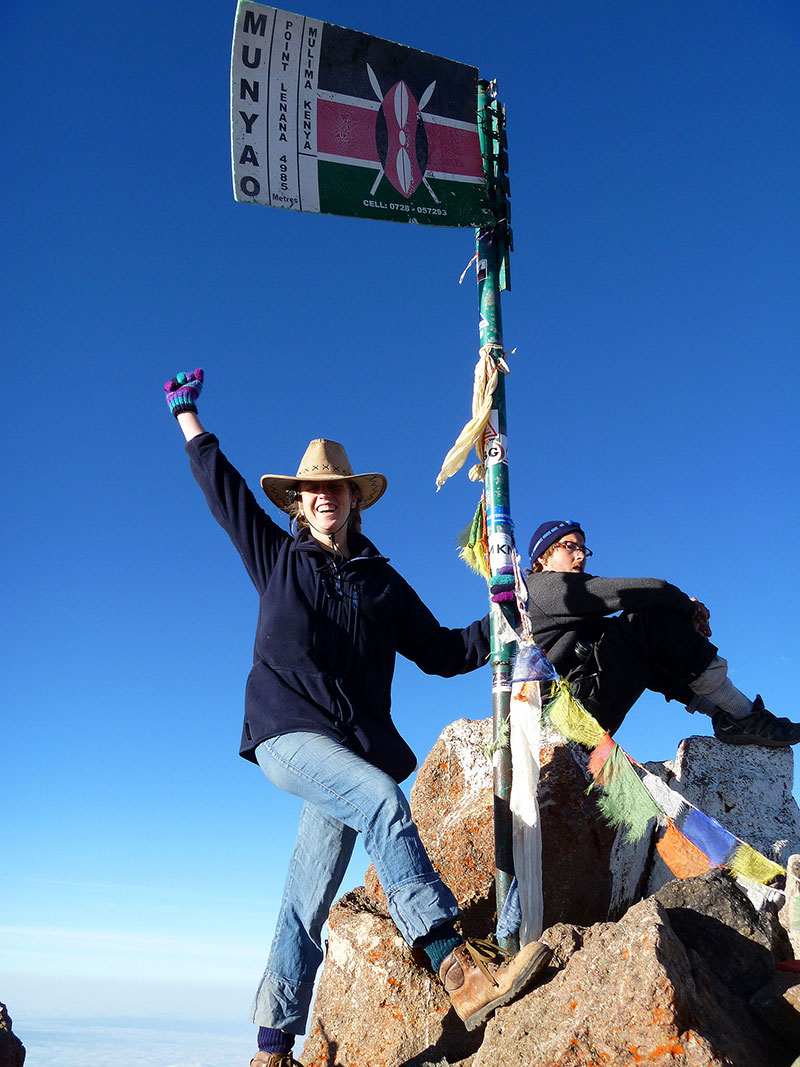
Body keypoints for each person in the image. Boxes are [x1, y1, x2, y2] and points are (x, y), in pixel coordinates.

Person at [164, 370, 552, 1067]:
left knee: (304, 896)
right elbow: (222, 489)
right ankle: (457, 970)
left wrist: (506, 619)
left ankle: (272, 1046)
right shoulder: (278, 557)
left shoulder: (381, 581)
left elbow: (440, 650)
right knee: (382, 799)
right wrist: (188, 415)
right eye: (311, 488)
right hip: (286, 732)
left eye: (334, 486)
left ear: (352, 499)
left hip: (350, 749)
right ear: (298, 502)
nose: (322, 496)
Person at [525, 519, 800, 747]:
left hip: (574, 718)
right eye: (570, 546)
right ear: (542, 558)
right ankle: (742, 714)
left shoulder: (537, 608)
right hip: (565, 718)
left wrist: (677, 627)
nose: (581, 555)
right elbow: (643, 591)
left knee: (642, 639)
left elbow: (480, 639)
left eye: (584, 548)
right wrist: (685, 608)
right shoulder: (542, 588)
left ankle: (726, 713)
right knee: (645, 620)